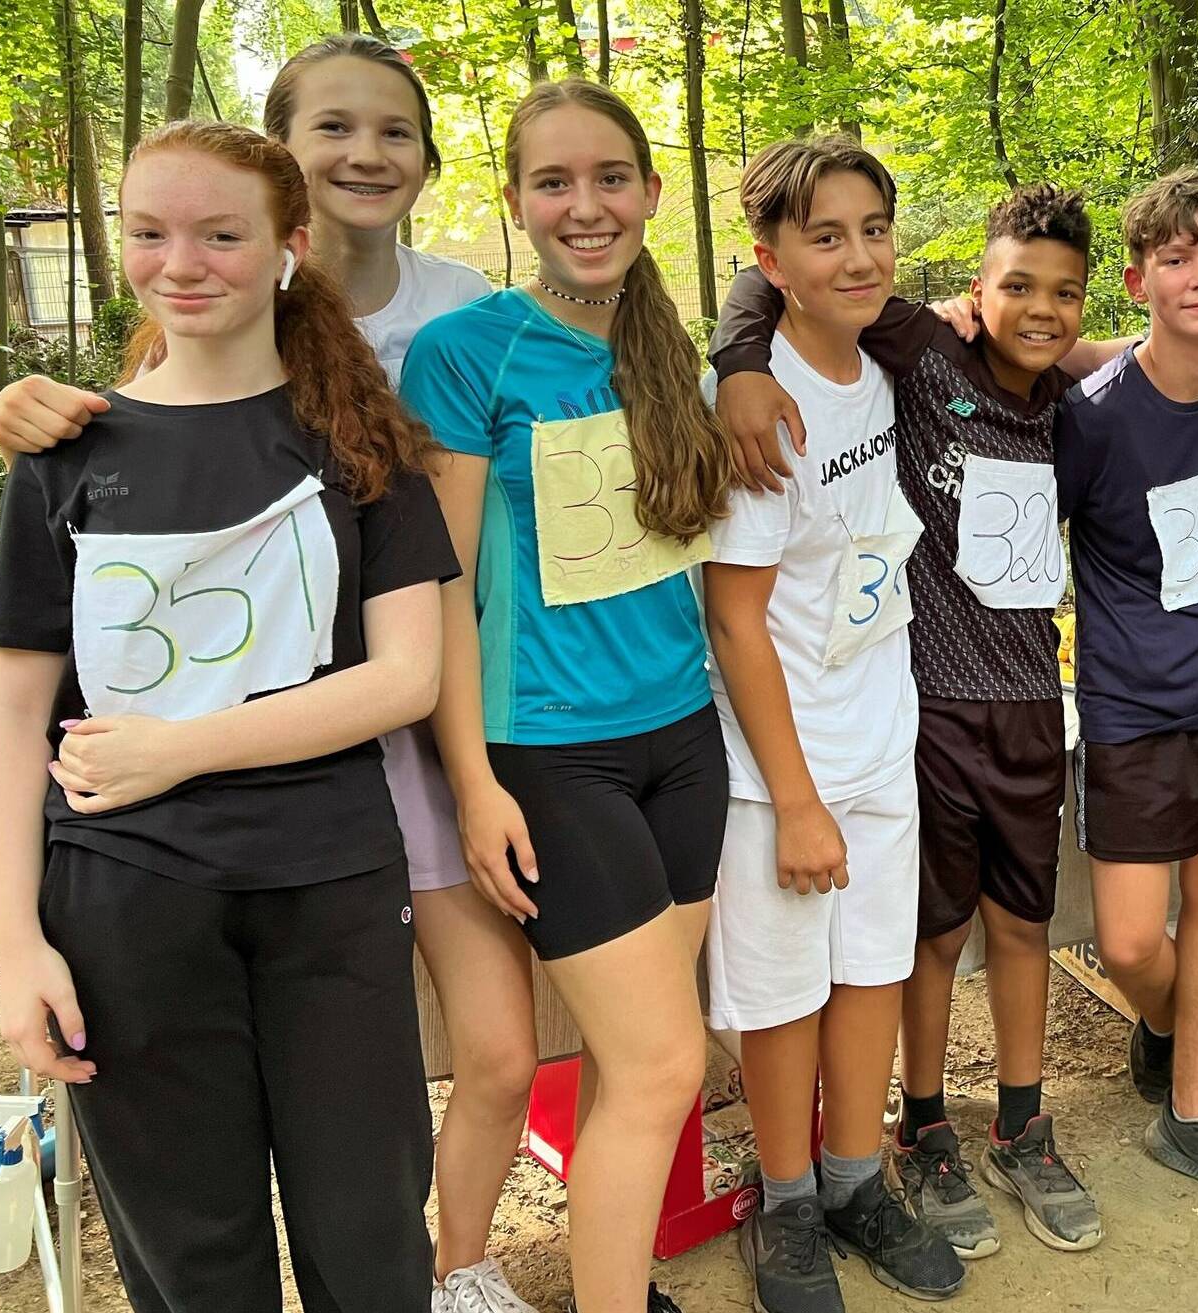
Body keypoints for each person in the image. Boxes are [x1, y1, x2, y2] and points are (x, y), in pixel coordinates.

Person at [0, 38, 535, 1311]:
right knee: (192, 1250)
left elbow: (404, 674)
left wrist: (178, 745)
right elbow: (13, 709)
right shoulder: (69, 453)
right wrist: (21, 947)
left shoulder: (358, 438)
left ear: (287, 241)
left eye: (221, 236)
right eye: (149, 234)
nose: (184, 265)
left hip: (329, 888)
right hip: (124, 902)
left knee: (366, 1235)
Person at [705, 184, 1103, 1258]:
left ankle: (1011, 1121)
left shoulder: (1075, 400)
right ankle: (904, 1131)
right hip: (919, 705)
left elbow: (1149, 350)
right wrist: (739, 359)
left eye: (1060, 294)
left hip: (1014, 699)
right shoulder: (919, 360)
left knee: (996, 925)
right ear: (972, 291)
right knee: (919, 937)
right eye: (1012, 285)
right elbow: (778, 277)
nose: (1036, 307)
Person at [400, 80, 732, 1313]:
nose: (583, 206)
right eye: (553, 182)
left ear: (649, 192)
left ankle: (616, 1281)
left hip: (683, 739)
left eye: (608, 179)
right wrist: (474, 782)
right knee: (665, 1064)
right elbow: (439, 583)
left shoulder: (670, 344)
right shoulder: (466, 350)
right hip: (547, 749)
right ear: (516, 201)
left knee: (625, 1059)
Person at [702, 136, 968, 1313]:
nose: (858, 256)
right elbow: (735, 619)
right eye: (826, 237)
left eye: (873, 229)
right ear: (771, 263)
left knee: (869, 970)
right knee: (781, 993)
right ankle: (789, 1197)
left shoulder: (889, 367)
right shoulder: (758, 407)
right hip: (779, 765)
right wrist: (795, 797)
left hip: (880, 728)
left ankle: (860, 1178)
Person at [1052, 169, 1198, 1227]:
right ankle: (1167, 1024)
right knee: (1133, 941)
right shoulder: (1091, 417)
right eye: (1176, 256)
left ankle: (1192, 1116)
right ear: (1138, 276)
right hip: (1132, 704)